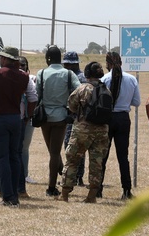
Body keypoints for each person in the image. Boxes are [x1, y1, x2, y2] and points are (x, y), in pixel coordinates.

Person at [0, 47, 33, 206]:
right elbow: (33, 97)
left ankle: (7, 196)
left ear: (4, 59)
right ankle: (16, 193)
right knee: (15, 156)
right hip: (16, 119)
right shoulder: (24, 76)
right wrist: (27, 117)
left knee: (2, 158)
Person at [60, 61, 110, 203]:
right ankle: (91, 196)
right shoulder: (106, 89)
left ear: (87, 73)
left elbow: (72, 106)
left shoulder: (82, 89)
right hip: (102, 131)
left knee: (72, 161)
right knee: (97, 164)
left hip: (82, 130)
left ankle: (64, 194)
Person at [36, 45, 80, 197]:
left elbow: (37, 94)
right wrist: (71, 107)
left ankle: (56, 182)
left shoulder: (41, 73)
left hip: (44, 117)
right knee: (54, 152)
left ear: (47, 58)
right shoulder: (68, 74)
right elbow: (79, 90)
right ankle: (55, 184)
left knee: (52, 151)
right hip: (61, 116)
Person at [101, 51, 141, 200]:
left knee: (102, 156)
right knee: (123, 157)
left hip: (107, 118)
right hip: (123, 118)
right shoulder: (131, 79)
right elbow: (136, 102)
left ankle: (98, 189)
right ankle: (126, 190)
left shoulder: (104, 79)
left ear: (108, 64)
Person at [62, 50, 87, 186]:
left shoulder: (72, 77)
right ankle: (78, 177)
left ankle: (74, 176)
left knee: (71, 147)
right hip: (80, 117)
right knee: (79, 148)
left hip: (72, 117)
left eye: (67, 64)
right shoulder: (83, 77)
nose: (66, 66)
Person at [19, 55, 38, 195]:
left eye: (23, 65)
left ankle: (24, 174)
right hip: (16, 117)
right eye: (19, 65)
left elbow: (34, 97)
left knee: (24, 147)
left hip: (27, 118)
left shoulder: (32, 79)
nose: (21, 68)